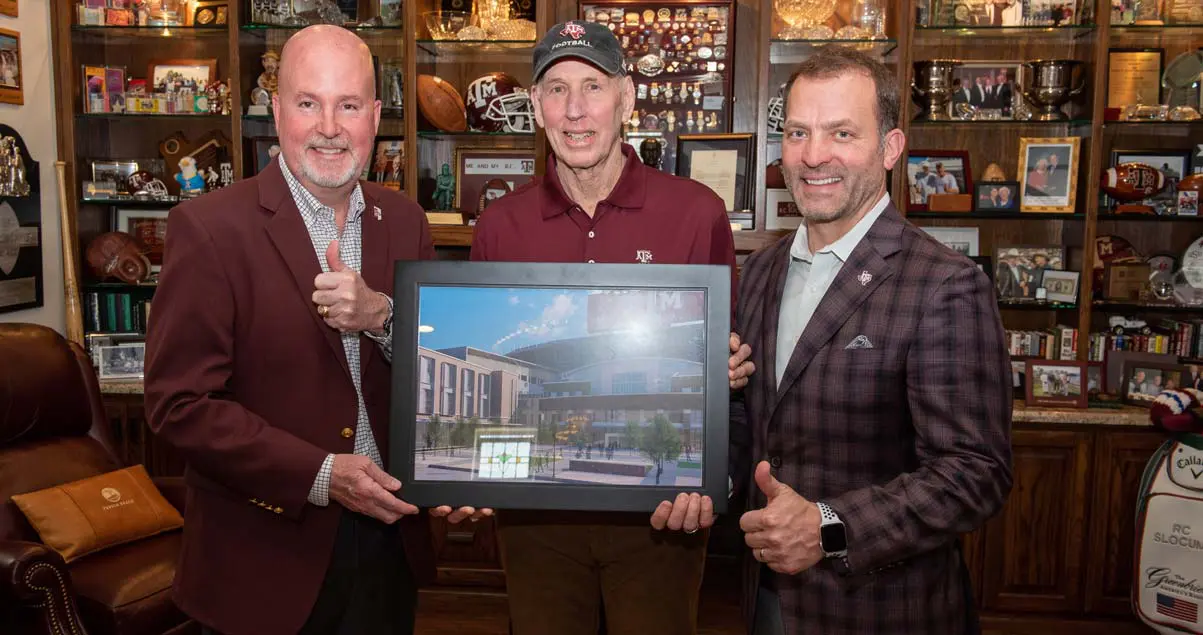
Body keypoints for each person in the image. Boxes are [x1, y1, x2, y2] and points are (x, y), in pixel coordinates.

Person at [143, 25, 483, 635]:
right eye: (309, 103)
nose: (330, 126)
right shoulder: (209, 228)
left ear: (375, 115)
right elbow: (179, 405)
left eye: (348, 105)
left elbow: (436, 365)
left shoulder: (405, 221)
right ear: (277, 111)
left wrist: (386, 320)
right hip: (265, 554)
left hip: (387, 541)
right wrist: (323, 474)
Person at [469, 19, 753, 635]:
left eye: (593, 87)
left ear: (626, 98)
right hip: (535, 520)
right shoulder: (499, 224)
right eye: (556, 88)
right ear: (537, 107)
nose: (575, 110)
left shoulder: (696, 212)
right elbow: (499, 363)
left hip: (663, 516)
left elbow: (724, 374)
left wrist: (716, 474)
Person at [727, 45, 1013, 634]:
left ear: (889, 149)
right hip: (767, 600)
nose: (813, 156)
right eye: (799, 132)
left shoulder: (944, 285)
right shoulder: (758, 273)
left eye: (841, 133)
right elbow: (754, 427)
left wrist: (828, 525)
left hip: (886, 610)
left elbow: (974, 472)